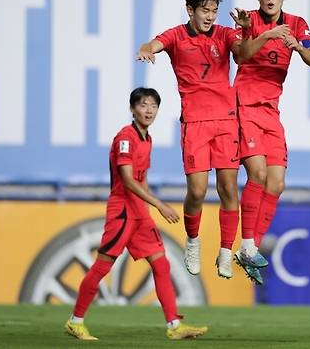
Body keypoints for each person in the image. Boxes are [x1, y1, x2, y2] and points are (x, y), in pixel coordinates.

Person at [64, 88, 208, 341]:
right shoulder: (126, 138)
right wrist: (159, 205)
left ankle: (174, 325)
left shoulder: (146, 138)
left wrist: (150, 205)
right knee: (102, 266)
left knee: (161, 263)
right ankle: (75, 321)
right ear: (132, 108)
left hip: (139, 211)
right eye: (143, 105)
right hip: (122, 209)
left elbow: (143, 179)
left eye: (153, 105)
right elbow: (128, 181)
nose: (149, 110)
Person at [136, 0, 241, 279]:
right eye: (204, 10)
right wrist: (146, 49)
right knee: (196, 191)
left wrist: (246, 35)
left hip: (226, 121)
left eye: (214, 10)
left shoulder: (224, 34)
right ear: (190, 10)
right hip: (195, 123)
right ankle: (193, 241)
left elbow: (241, 50)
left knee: (229, 188)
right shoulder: (177, 36)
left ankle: (225, 252)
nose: (210, 16)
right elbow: (153, 44)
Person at [230, 0, 310, 285]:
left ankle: (249, 249)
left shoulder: (296, 24)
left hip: (270, 111)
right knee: (258, 174)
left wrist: (298, 46)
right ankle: (250, 245)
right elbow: (241, 56)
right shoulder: (248, 21)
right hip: (243, 105)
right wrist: (265, 34)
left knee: (277, 182)